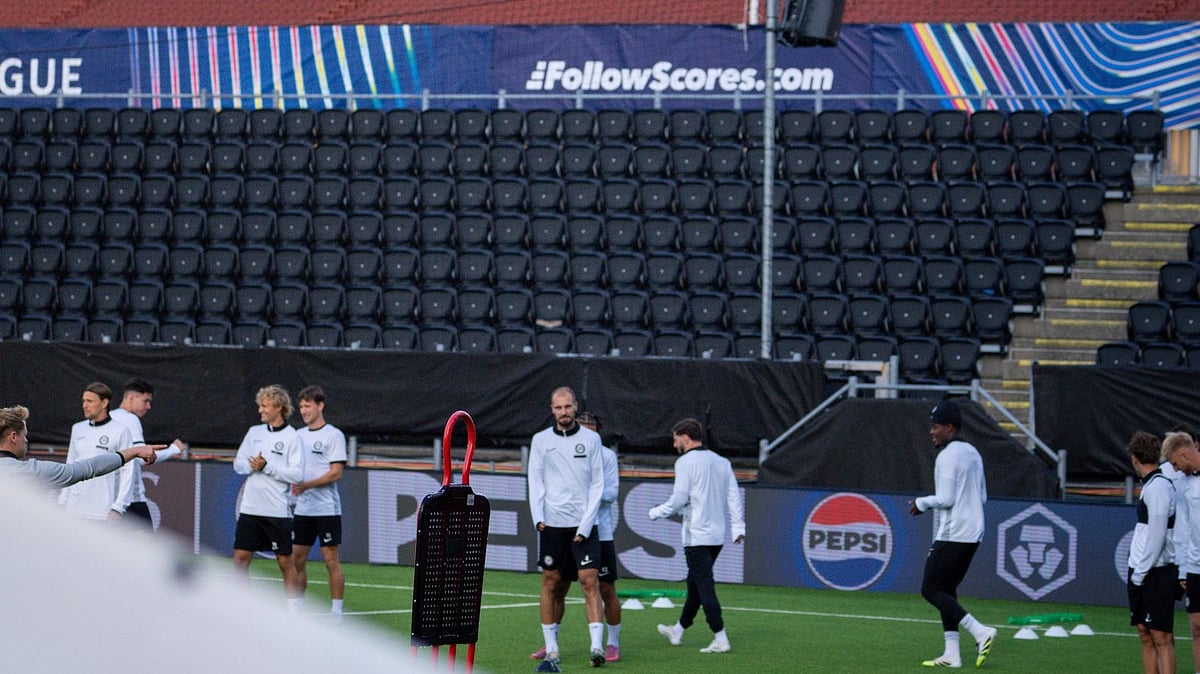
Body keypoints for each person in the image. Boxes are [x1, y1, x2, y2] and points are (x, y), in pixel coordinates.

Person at [529, 411, 622, 664]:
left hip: (598, 530)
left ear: (597, 431)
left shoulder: (606, 455)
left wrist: (585, 495)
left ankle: (612, 642)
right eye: (583, 427)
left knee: (604, 587)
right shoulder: (562, 448)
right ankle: (551, 643)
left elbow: (611, 493)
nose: (587, 432)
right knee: (557, 584)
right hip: (565, 527)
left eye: (591, 428)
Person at [908, 399, 996, 669]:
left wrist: (921, 503)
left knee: (930, 589)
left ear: (949, 427)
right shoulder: (972, 452)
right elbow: (982, 495)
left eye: (935, 427)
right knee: (946, 590)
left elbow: (945, 499)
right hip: (973, 532)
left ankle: (981, 631)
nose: (931, 432)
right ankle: (952, 654)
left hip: (954, 532)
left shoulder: (947, 456)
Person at [650, 417, 745, 655]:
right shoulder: (722, 461)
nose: (674, 446)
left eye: (675, 440)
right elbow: (733, 495)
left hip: (696, 537)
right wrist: (738, 527)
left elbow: (679, 499)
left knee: (704, 586)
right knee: (694, 584)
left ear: (685, 437)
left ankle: (720, 637)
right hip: (716, 536)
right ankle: (679, 629)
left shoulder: (685, 463)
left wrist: (656, 512)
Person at [232, 385, 303, 609]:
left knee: (285, 561)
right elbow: (238, 463)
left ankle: (294, 611)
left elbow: (297, 474)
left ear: (279, 407)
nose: (260, 410)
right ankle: (239, 606)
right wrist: (253, 466)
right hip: (250, 509)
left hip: (276, 511)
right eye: (259, 405)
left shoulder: (293, 437)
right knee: (240, 559)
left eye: (264, 405)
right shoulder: (254, 432)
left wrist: (267, 467)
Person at [0, 404, 162, 487]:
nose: (26, 441)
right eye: (24, 436)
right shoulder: (28, 472)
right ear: (13, 437)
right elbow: (84, 469)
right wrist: (134, 451)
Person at [291, 385, 348, 620]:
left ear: (320, 405)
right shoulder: (297, 435)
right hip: (303, 508)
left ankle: (337, 612)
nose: (304, 410)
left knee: (330, 559)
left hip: (326, 509)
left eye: (308, 405)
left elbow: (336, 473)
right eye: (301, 406)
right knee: (296, 559)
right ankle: (296, 608)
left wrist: (308, 484)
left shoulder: (333, 435)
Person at [1129, 430, 1177, 674]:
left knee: (1161, 636)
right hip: (1144, 569)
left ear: (1134, 459)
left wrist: (1140, 573)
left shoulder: (1158, 487)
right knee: (1145, 634)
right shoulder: (1151, 485)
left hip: (1155, 572)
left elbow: (1157, 535)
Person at [109, 377, 187, 530]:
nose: (149, 406)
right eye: (145, 401)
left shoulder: (109, 418)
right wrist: (174, 449)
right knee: (146, 549)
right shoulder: (131, 419)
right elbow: (142, 458)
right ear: (131, 398)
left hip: (109, 498)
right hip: (131, 499)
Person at [59, 382, 134, 521]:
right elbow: (70, 466)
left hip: (102, 514)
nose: (84, 405)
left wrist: (118, 508)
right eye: (83, 401)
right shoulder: (77, 429)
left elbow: (128, 471)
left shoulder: (121, 431)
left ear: (104, 402)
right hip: (73, 511)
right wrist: (62, 502)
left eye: (89, 401)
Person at [1165, 427, 1200, 674]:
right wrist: (1184, 567)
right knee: (1196, 625)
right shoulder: (1183, 484)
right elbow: (1184, 528)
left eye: (1176, 463)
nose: (1175, 469)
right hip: (1197, 565)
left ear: (1186, 454)